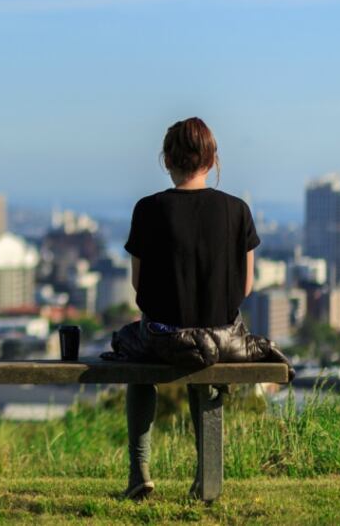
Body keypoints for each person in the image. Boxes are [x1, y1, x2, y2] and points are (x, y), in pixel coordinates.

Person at [120, 117, 260, 500]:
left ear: (167, 160)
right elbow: (244, 287)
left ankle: (140, 470)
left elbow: (138, 286)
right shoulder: (237, 210)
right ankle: (205, 477)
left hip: (163, 339)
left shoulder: (148, 209)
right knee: (207, 362)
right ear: (213, 160)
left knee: (133, 356)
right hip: (221, 339)